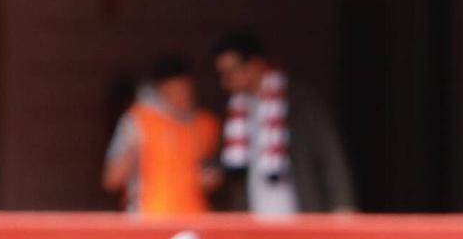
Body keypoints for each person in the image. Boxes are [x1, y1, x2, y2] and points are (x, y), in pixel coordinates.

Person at [212, 32, 357, 213]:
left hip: (300, 209)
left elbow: (330, 155)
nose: (226, 81)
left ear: (255, 64)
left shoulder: (299, 101)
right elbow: (227, 162)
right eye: (222, 74)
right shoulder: (235, 112)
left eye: (231, 71)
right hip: (254, 213)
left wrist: (342, 205)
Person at [102, 55, 221, 216]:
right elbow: (112, 180)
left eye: (186, 91)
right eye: (174, 91)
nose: (182, 97)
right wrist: (130, 152)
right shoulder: (139, 120)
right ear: (161, 91)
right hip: (149, 217)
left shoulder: (205, 123)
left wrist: (209, 178)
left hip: (194, 218)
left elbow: (213, 173)